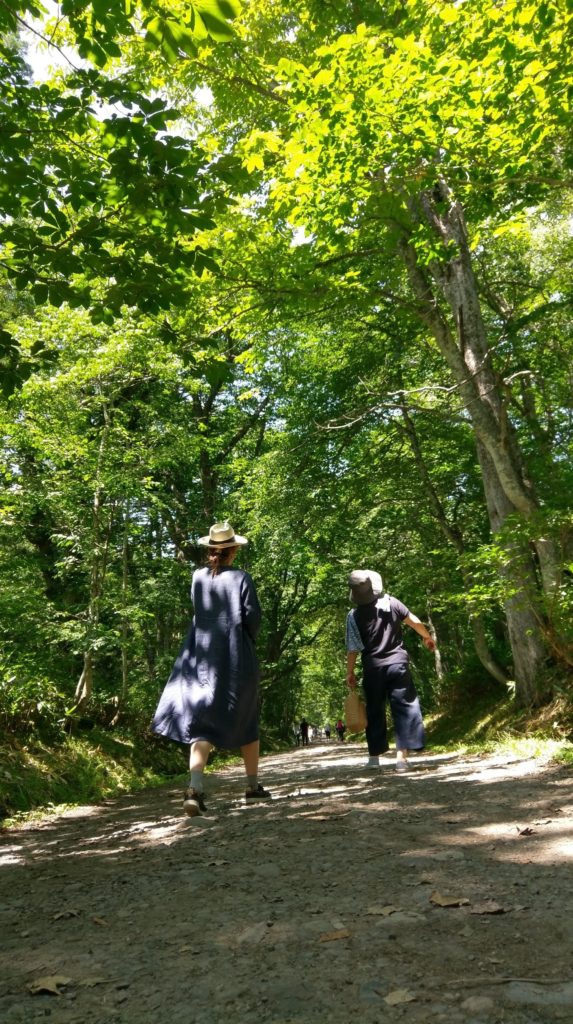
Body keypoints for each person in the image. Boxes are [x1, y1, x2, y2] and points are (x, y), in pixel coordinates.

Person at [151, 521, 271, 816]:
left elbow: (200, 611)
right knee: (246, 716)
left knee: (202, 722)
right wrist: (246, 640)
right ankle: (252, 787)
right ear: (233, 551)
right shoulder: (242, 578)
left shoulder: (197, 577)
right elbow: (252, 618)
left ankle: (194, 789)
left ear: (211, 550)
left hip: (201, 656)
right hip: (235, 656)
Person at [345, 569, 435, 773]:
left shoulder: (353, 616)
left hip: (372, 668)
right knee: (404, 707)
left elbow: (352, 648)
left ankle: (374, 758)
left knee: (374, 710)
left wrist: (349, 673)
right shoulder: (391, 603)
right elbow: (413, 620)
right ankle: (401, 759)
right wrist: (426, 636)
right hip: (397, 664)